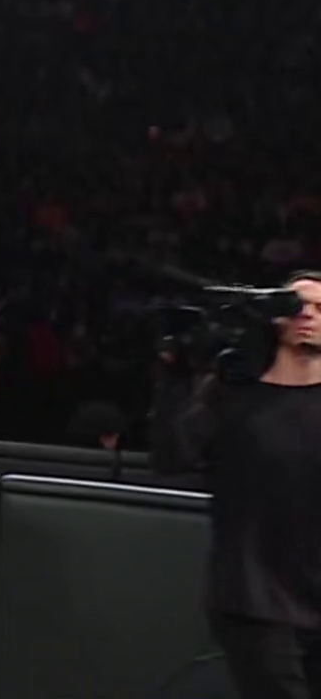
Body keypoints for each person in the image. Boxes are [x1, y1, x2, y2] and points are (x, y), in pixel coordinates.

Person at [151, 273, 321, 699]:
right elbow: (172, 457)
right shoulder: (231, 394)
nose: (307, 316)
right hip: (256, 599)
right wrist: (175, 373)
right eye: (294, 305)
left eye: (320, 309)